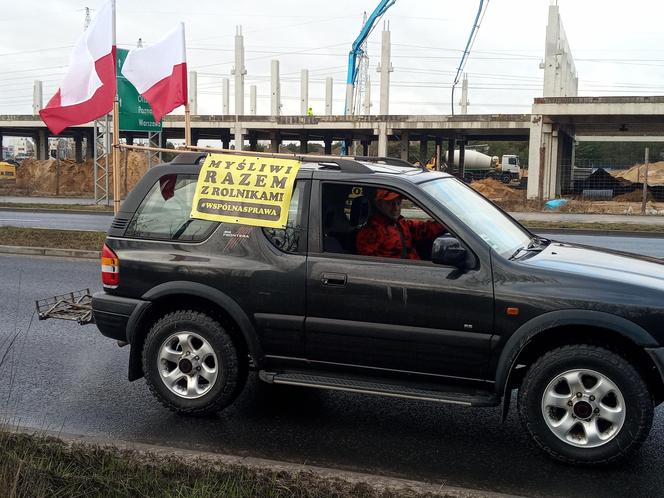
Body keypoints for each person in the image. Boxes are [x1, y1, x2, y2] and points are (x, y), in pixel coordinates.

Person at [356, 189, 445, 260]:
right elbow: (370, 267)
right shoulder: (370, 232)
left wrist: (451, 223)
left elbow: (428, 228)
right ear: (378, 204)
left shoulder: (402, 224)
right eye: (389, 203)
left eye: (398, 203)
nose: (396, 208)